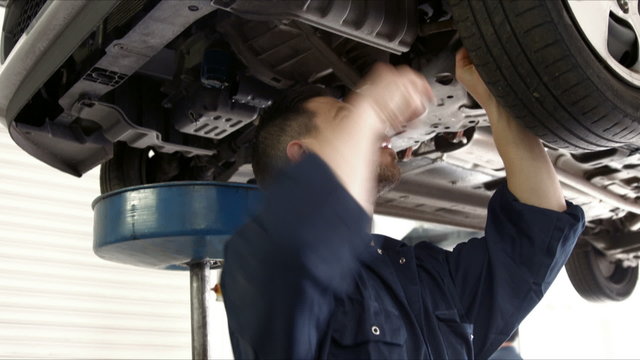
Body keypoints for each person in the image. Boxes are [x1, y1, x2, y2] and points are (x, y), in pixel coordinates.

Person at [220, 48, 585, 359]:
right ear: (301, 156)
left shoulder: (416, 274)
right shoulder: (257, 264)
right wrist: (371, 107)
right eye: (346, 119)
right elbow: (306, 246)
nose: (378, 130)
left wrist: (495, 100)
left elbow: (538, 228)